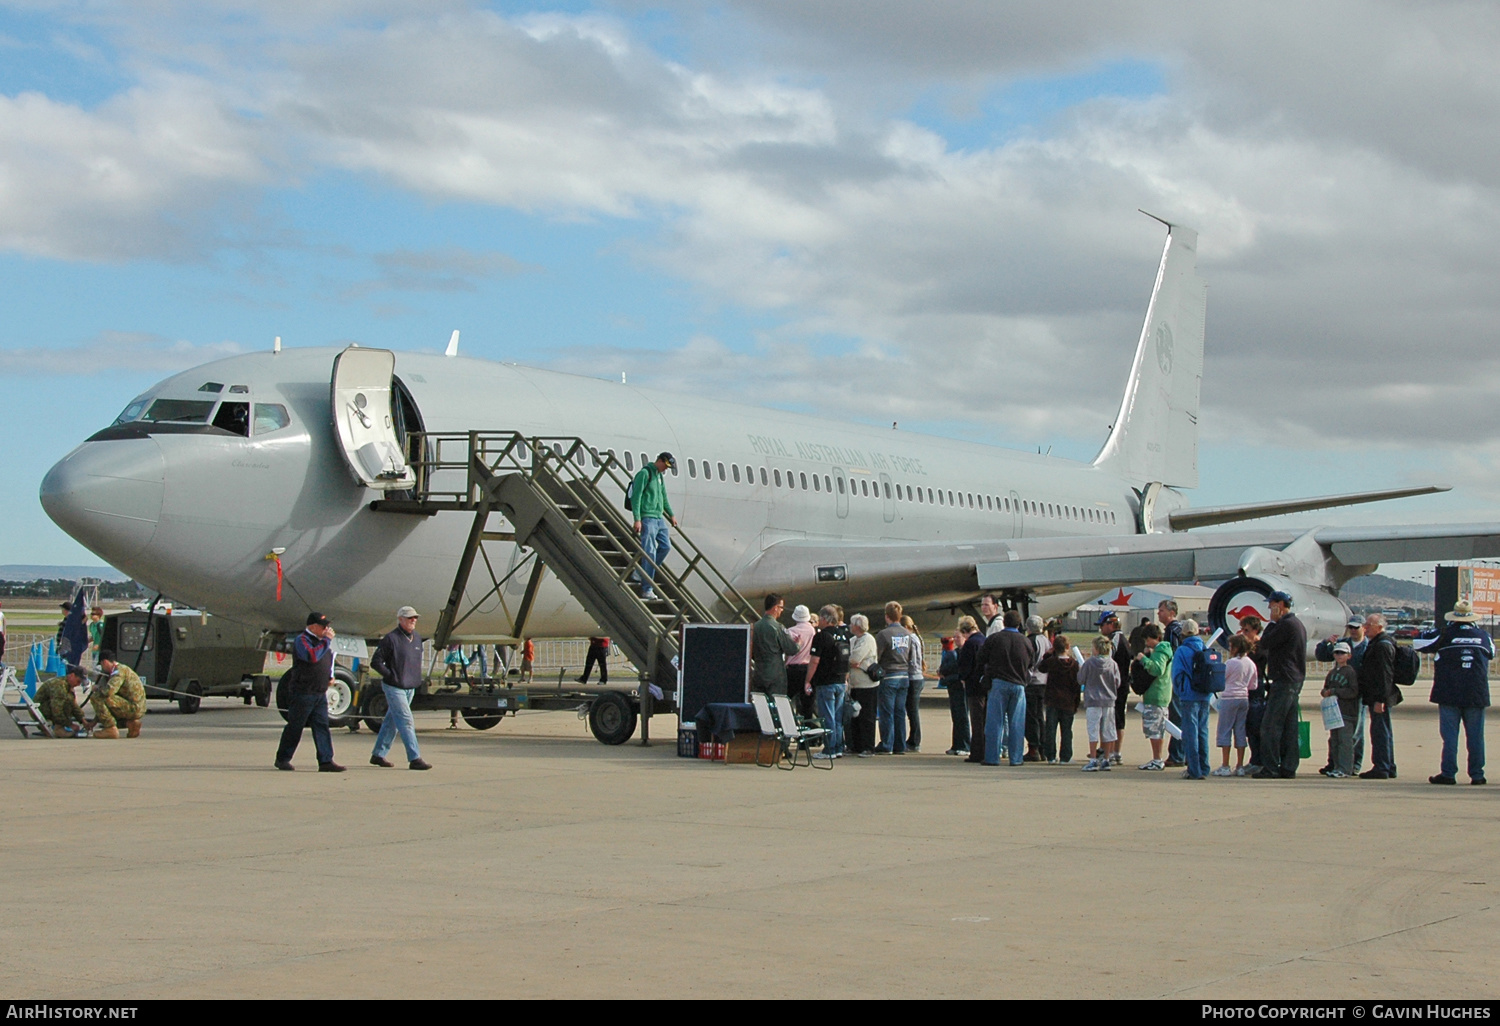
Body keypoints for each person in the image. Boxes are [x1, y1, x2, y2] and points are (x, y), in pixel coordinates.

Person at [1416, 600, 1493, 785]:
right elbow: (1491, 653)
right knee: (1476, 737)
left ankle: (1448, 773)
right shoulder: (1484, 636)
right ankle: (1477, 774)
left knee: (1449, 737)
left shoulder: (1444, 634)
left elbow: (1418, 642)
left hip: (1449, 692)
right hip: (1476, 693)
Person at [274, 613, 346, 772]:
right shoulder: (302, 640)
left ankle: (326, 760)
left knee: (322, 727)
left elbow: (327, 660)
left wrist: (330, 676)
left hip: (319, 692)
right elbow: (312, 656)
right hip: (303, 692)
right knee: (295, 726)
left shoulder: (322, 643)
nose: (327, 629)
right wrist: (326, 640)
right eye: (323, 626)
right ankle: (283, 758)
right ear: (312, 627)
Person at [369, 606, 432, 771]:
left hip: (410, 686)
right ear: (400, 619)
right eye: (410, 618)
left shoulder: (417, 638)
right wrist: (390, 676)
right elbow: (376, 661)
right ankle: (415, 758)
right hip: (394, 686)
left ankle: (378, 754)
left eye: (415, 618)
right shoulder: (391, 639)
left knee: (392, 721)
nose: (413, 620)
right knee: (406, 720)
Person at [1254, 592, 1307, 780]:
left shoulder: (1286, 625)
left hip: (1285, 680)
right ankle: (1288, 766)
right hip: (1292, 679)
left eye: (1272, 605)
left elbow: (1265, 642)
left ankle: (1271, 767)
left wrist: (1272, 622)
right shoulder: (1296, 624)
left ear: (1281, 605)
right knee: (1288, 726)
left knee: (1270, 725)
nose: (1269, 608)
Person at [979, 609, 1033, 767]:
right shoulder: (1025, 641)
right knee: (1016, 723)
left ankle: (992, 757)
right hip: (1019, 684)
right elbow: (1031, 661)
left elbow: (981, 657)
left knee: (995, 722)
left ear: (1004, 622)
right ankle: (1016, 758)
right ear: (1019, 624)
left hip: (999, 682)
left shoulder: (995, 639)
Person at [1316, 617, 1368, 775]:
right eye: (1350, 627)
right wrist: (1326, 643)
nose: (1353, 630)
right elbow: (1322, 655)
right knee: (1335, 736)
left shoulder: (1368, 646)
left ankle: (1353, 765)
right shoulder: (1344, 643)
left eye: (1356, 627)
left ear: (1363, 628)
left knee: (1354, 733)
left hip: (1357, 694)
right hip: (1337, 701)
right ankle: (1335, 764)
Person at [630, 452, 679, 600]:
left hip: (659, 518)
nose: (665, 469)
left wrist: (671, 514)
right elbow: (636, 497)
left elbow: (663, 497)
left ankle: (640, 572)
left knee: (665, 547)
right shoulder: (645, 474)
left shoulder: (659, 477)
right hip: (648, 518)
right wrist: (637, 519)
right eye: (665, 465)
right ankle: (647, 589)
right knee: (649, 552)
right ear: (659, 460)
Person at [1357, 613, 1400, 779]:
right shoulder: (1379, 643)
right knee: (1383, 730)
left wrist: (1380, 699)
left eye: (1370, 625)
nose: (1365, 627)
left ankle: (1382, 766)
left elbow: (1385, 675)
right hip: (1378, 695)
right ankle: (1388, 765)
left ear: (1380, 627)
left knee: (1380, 731)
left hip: (1380, 696)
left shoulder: (1382, 646)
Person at [874, 602, 921, 755]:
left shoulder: (883, 634)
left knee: (887, 711)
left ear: (887, 616)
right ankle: (899, 744)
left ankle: (887, 743)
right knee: (900, 711)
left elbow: (877, 656)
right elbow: (910, 656)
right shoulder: (908, 634)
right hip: (904, 674)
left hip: (889, 674)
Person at [804, 605, 848, 757]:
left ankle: (829, 748)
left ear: (824, 619)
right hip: (841, 679)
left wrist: (808, 680)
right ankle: (838, 747)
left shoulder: (821, 636)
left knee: (827, 716)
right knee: (837, 717)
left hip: (826, 681)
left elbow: (814, 661)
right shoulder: (842, 634)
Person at [1171, 619, 1211, 780]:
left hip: (1189, 695)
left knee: (1190, 733)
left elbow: (1177, 674)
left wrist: (1180, 691)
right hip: (1205, 694)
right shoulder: (1204, 647)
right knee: (1203, 731)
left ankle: (1194, 769)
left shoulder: (1182, 650)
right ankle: (1204, 766)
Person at [1214, 634, 1259, 776]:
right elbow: (1254, 685)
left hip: (1229, 697)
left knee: (1225, 730)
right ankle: (1239, 765)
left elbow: (1221, 680)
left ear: (1236, 647)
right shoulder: (1251, 663)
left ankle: (1225, 765)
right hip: (1243, 697)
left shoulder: (1231, 663)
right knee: (1240, 730)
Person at [1133, 622, 1173, 771]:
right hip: (1160, 694)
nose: (1147, 643)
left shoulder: (1160, 651)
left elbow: (1157, 669)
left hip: (1156, 694)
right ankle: (1157, 758)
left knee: (1154, 729)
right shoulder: (1164, 650)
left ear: (1155, 638)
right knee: (1157, 728)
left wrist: (1144, 659)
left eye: (1148, 640)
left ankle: (1157, 759)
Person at [1079, 635, 1120, 771]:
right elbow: (1117, 682)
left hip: (1093, 700)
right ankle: (1107, 759)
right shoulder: (1112, 664)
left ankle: (1093, 759)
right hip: (1109, 701)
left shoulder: (1090, 663)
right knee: (1108, 730)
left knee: (1093, 730)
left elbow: (1080, 679)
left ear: (1096, 649)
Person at [1320, 642, 1360, 778]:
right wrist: (1325, 692)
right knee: (1335, 741)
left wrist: (1336, 691)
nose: (1339, 655)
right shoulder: (1332, 673)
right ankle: (1337, 766)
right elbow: (1326, 687)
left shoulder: (1350, 672)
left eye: (1342, 653)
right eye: (1336, 653)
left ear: (1348, 655)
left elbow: (1353, 691)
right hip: (1334, 712)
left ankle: (1345, 768)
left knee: (1345, 741)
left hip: (1347, 712)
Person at [1039, 634, 1079, 763]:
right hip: (1068, 701)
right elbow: (1076, 685)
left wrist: (1047, 654)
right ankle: (1065, 756)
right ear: (1068, 647)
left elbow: (1041, 667)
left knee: (1050, 729)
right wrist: (1076, 702)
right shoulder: (1074, 664)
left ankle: (1050, 755)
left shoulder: (1052, 662)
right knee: (1067, 730)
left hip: (1053, 700)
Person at [1099, 611, 1131, 765]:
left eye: (1102, 625)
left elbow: (1107, 662)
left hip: (1115, 686)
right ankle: (1114, 751)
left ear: (1111, 624)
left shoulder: (1114, 640)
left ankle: (1111, 751)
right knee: (1118, 718)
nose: (1101, 629)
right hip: (1122, 684)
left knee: (1112, 719)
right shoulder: (1123, 638)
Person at [91, 649, 146, 739]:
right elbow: (103, 708)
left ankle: (110, 729)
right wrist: (94, 722)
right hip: (136, 707)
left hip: (133, 707)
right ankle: (131, 723)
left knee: (96, 697)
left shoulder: (118, 671)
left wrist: (97, 688)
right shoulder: (121, 669)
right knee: (106, 704)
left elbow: (109, 691)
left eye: (101, 665)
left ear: (104, 662)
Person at [1157, 600, 1187, 767]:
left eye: (1161, 610)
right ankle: (1183, 753)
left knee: (1177, 716)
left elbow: (1173, 656)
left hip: (1176, 679)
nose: (1158, 613)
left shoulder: (1173, 631)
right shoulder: (1176, 630)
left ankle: (1177, 754)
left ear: (1171, 612)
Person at [1238, 616, 1269, 772]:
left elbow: (1257, 663)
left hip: (1256, 687)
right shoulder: (1247, 647)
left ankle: (1258, 760)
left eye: (1247, 630)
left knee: (1255, 725)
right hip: (1247, 688)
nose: (1243, 633)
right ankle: (1255, 758)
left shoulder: (1260, 647)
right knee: (1249, 726)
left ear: (1255, 630)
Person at [752, 593, 798, 696]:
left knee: (760, 705)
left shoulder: (755, 627)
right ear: (776, 608)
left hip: (759, 672)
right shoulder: (778, 627)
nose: (782, 610)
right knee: (777, 705)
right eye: (781, 607)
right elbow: (792, 649)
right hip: (776, 675)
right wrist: (798, 643)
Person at [846, 614, 880, 757]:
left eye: (851, 624)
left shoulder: (868, 639)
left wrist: (852, 660)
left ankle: (868, 746)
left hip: (867, 684)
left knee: (867, 716)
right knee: (855, 715)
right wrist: (851, 661)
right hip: (854, 684)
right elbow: (848, 658)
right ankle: (856, 745)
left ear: (857, 626)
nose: (849, 626)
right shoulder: (853, 640)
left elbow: (854, 657)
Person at [957, 616, 988, 763]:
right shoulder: (984, 640)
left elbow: (965, 666)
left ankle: (977, 753)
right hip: (985, 685)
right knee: (985, 720)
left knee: (977, 721)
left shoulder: (970, 644)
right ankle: (987, 749)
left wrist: (963, 678)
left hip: (974, 686)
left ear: (964, 630)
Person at [34, 666, 89, 737]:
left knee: (69, 700)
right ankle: (58, 729)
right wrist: (70, 724)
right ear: (72, 675)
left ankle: (59, 727)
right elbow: (57, 709)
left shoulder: (68, 685)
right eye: (78, 681)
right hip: (40, 711)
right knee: (66, 701)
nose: (78, 684)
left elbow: (74, 705)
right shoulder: (59, 685)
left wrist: (82, 720)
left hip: (48, 708)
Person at [939, 633, 970, 757]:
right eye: (955, 637)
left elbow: (960, 669)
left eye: (958, 637)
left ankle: (965, 745)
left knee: (962, 716)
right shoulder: (954, 653)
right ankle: (956, 744)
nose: (955, 640)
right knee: (956, 716)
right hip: (952, 686)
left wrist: (946, 674)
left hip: (960, 687)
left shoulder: (964, 653)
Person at [1023, 614, 1048, 761]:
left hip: (1032, 682)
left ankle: (1034, 748)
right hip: (1043, 682)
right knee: (1040, 717)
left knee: (1031, 717)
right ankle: (1042, 748)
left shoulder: (1031, 641)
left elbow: (1030, 662)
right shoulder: (1045, 640)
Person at [900, 614, 925, 753]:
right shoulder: (914, 638)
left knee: (912, 711)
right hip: (915, 677)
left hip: (914, 678)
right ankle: (912, 739)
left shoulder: (911, 639)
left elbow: (914, 661)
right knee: (911, 710)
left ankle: (915, 740)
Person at [786, 605, 816, 719]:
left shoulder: (790, 631)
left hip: (793, 670)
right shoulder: (812, 631)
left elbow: (788, 651)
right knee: (808, 703)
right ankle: (808, 729)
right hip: (808, 669)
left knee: (786, 698)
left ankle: (790, 725)